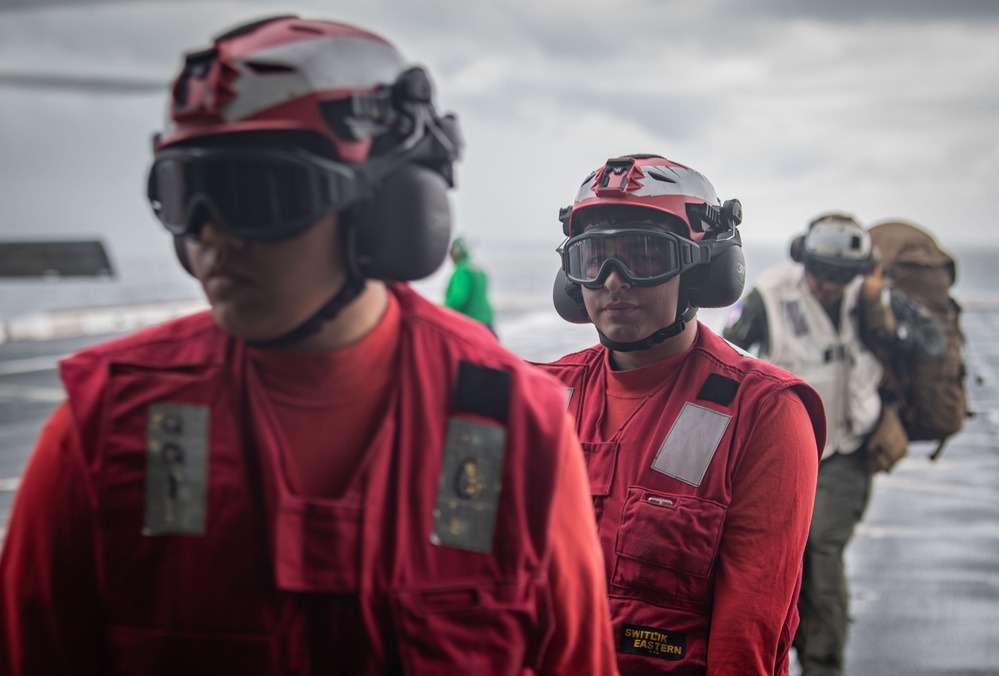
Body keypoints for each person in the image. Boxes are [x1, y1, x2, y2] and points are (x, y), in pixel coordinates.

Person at [0, 16, 617, 675]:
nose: (211, 238)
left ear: (385, 210)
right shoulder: (105, 426)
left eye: (254, 193)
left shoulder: (517, 424)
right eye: (186, 197)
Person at [535, 153, 826, 674]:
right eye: (592, 258)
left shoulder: (764, 412)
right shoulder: (541, 396)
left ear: (702, 271)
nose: (612, 280)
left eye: (643, 256)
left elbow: (747, 639)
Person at [723, 213, 898, 676]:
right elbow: (727, 353)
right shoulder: (770, 295)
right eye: (821, 271)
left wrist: (883, 307)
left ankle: (822, 663)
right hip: (785, 452)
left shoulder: (873, 298)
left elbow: (929, 344)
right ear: (804, 260)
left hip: (847, 452)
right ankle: (779, 651)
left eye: (842, 275)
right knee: (775, 560)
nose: (830, 284)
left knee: (820, 550)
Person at [444, 236, 495, 331]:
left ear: (455, 254)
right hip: (487, 321)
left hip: (472, 324)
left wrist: (439, 309)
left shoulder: (462, 271)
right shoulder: (478, 270)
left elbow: (458, 299)